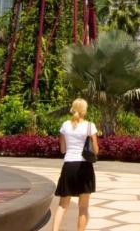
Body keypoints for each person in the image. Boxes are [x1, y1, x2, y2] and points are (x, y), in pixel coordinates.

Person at [52, 98, 99, 231]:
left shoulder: (65, 125)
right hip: (84, 166)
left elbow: (63, 149)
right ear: (85, 110)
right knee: (83, 206)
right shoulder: (90, 126)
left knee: (63, 204)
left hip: (69, 165)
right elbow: (95, 150)